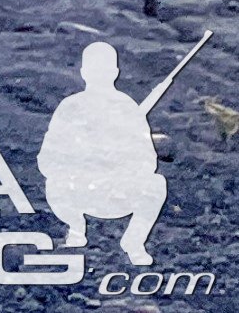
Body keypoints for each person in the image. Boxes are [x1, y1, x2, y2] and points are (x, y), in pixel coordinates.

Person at [38, 38, 176, 264]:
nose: (98, 75)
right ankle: (76, 229)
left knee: (156, 185)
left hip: (118, 191)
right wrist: (83, 160)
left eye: (103, 69)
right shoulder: (70, 108)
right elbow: (47, 159)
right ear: (84, 72)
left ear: (115, 72)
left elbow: (148, 162)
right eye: (94, 69)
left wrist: (121, 160)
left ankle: (134, 241)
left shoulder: (128, 108)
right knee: (54, 183)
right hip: (78, 190)